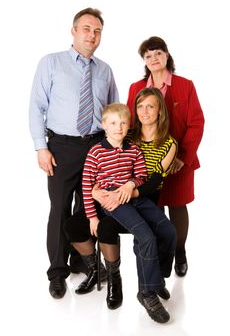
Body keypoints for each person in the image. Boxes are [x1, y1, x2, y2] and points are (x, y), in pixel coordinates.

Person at [29, 7, 119, 299]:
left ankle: (82, 258)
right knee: (59, 209)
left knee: (88, 208)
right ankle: (57, 271)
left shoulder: (105, 70)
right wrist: (41, 147)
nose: (92, 35)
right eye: (86, 29)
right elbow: (36, 107)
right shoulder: (51, 63)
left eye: (97, 31)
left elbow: (113, 111)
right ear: (74, 31)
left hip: (95, 146)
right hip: (62, 147)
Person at [75, 102, 176, 324]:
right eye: (113, 123)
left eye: (123, 123)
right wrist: (92, 216)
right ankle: (147, 293)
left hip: (133, 196)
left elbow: (140, 175)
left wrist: (130, 184)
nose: (118, 127)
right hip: (113, 202)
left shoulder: (133, 149)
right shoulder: (96, 152)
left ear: (129, 124)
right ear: (104, 125)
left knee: (168, 230)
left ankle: (157, 278)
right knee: (146, 236)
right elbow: (86, 185)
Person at [127, 36, 205, 277]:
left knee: (178, 206)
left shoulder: (185, 85)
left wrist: (182, 156)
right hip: (146, 162)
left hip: (179, 162)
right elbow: (130, 124)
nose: (154, 58)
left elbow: (196, 123)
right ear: (144, 60)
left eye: (158, 53)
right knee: (153, 209)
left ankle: (179, 252)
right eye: (148, 55)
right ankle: (161, 255)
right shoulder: (136, 88)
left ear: (167, 55)